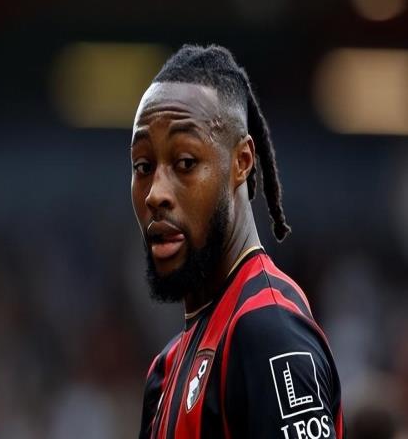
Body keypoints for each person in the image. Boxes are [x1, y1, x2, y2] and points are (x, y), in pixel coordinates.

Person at [130, 44, 344, 439]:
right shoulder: (165, 369)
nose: (155, 193)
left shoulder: (268, 330)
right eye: (143, 166)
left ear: (242, 162)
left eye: (185, 163)